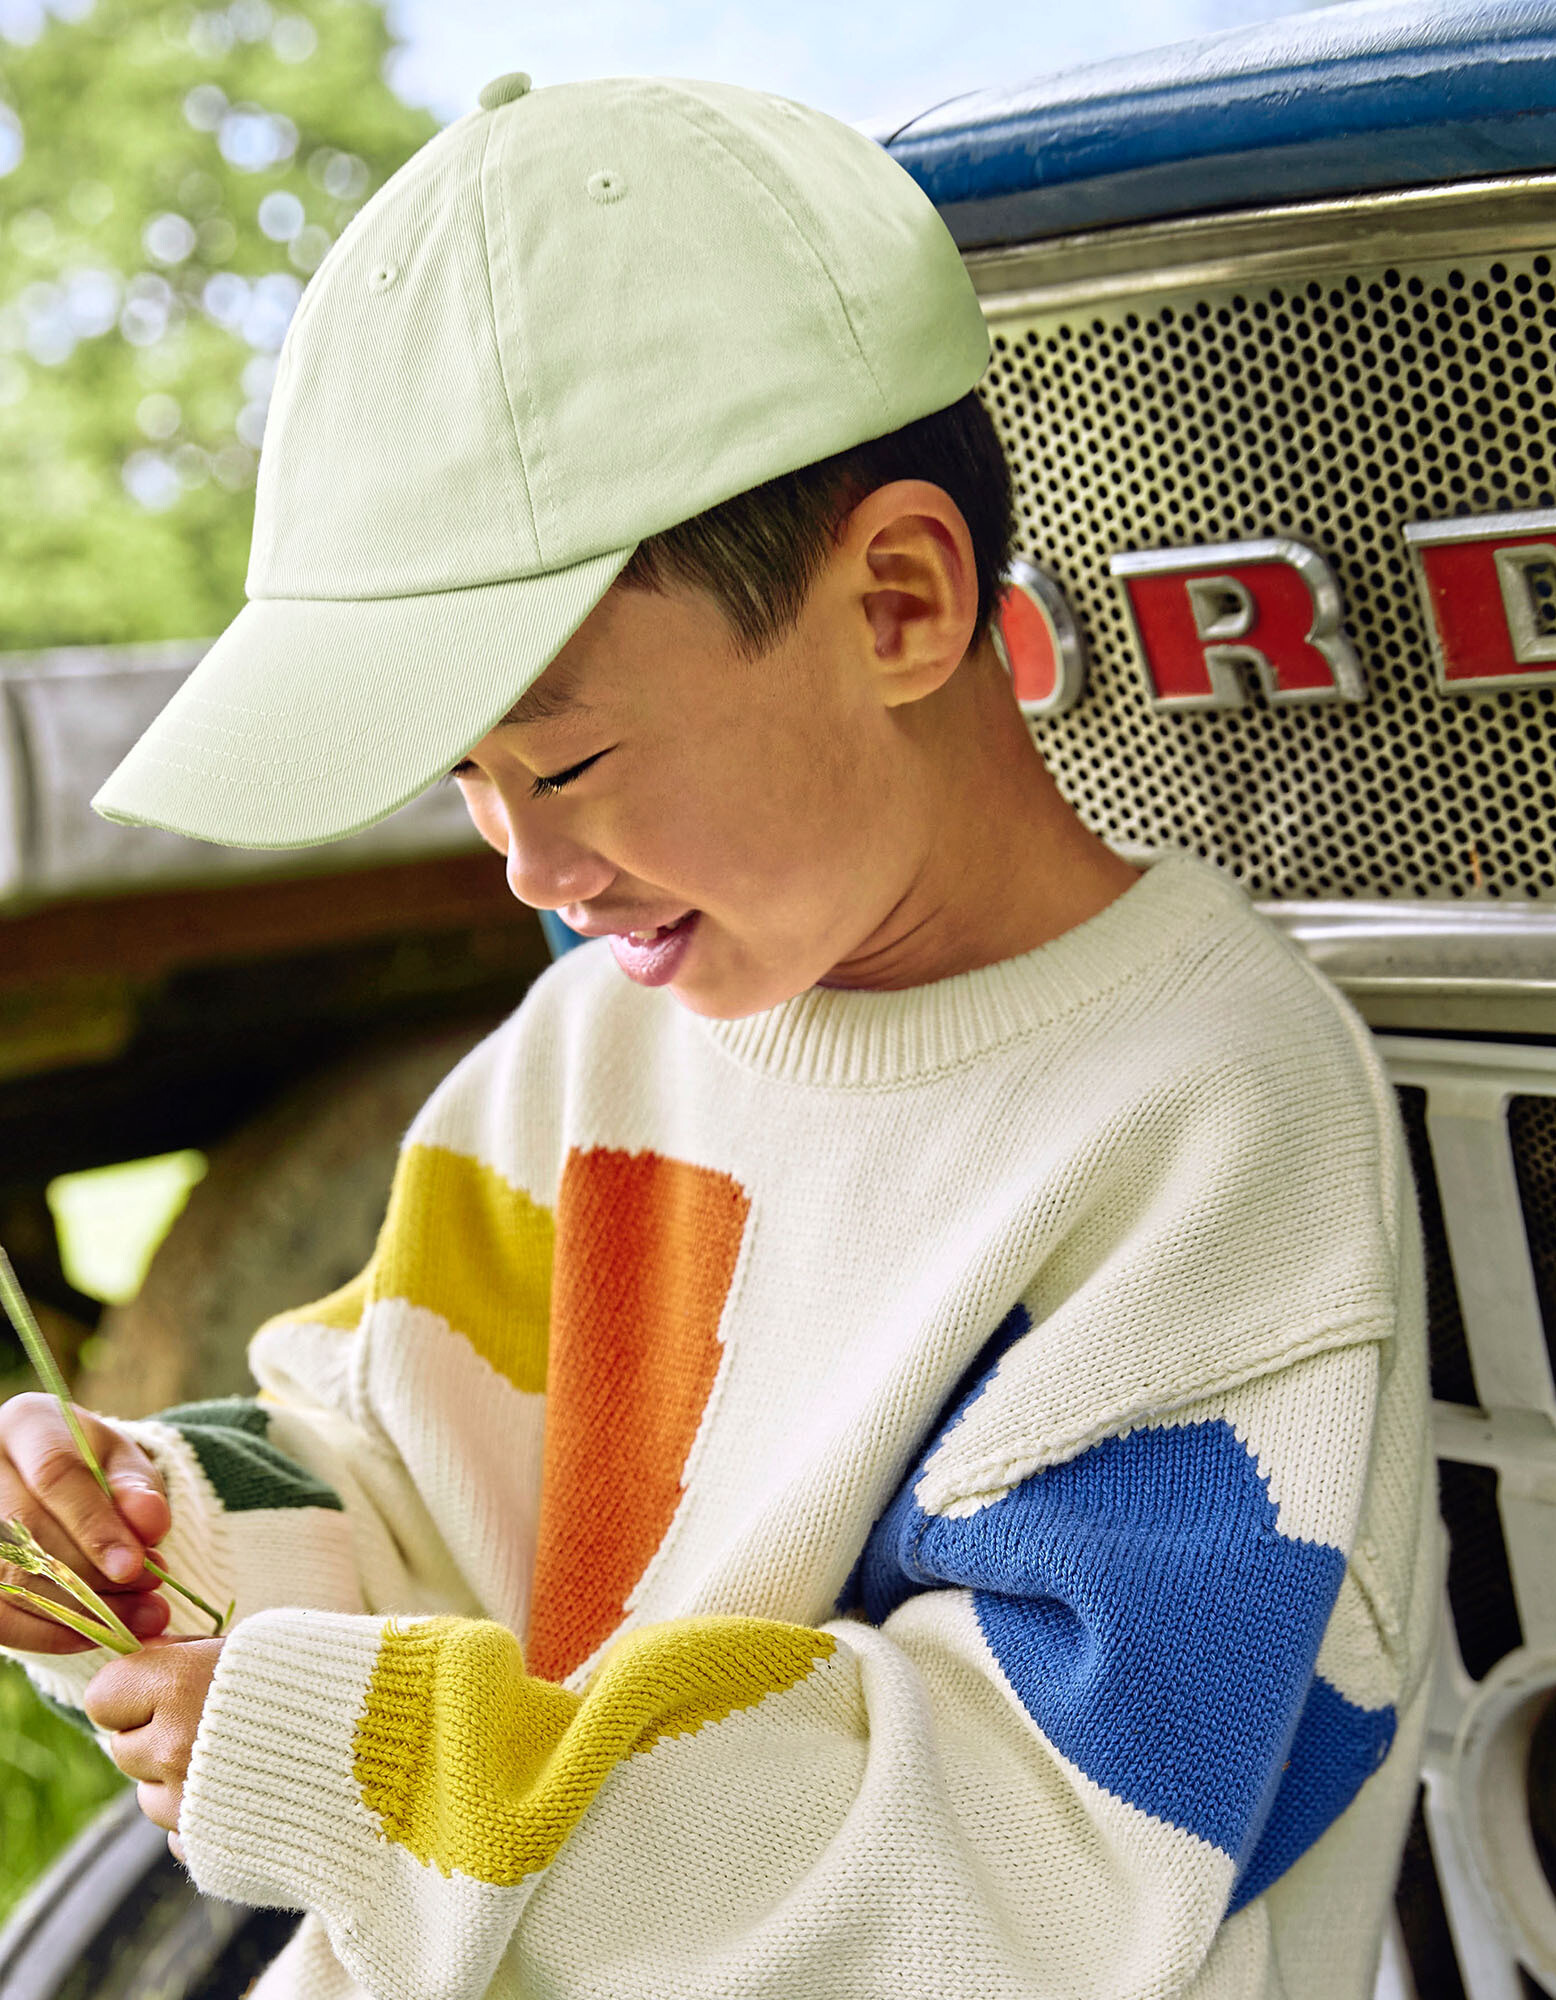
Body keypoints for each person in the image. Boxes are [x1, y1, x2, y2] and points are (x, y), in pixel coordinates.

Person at [0, 70, 1439, 2000]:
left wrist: (383, 1759)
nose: (530, 864)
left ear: (904, 603)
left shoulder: (1197, 1131)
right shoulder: (579, 1061)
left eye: (572, 758)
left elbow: (1041, 1865)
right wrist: (159, 1533)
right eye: (471, 782)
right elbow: (408, 1481)